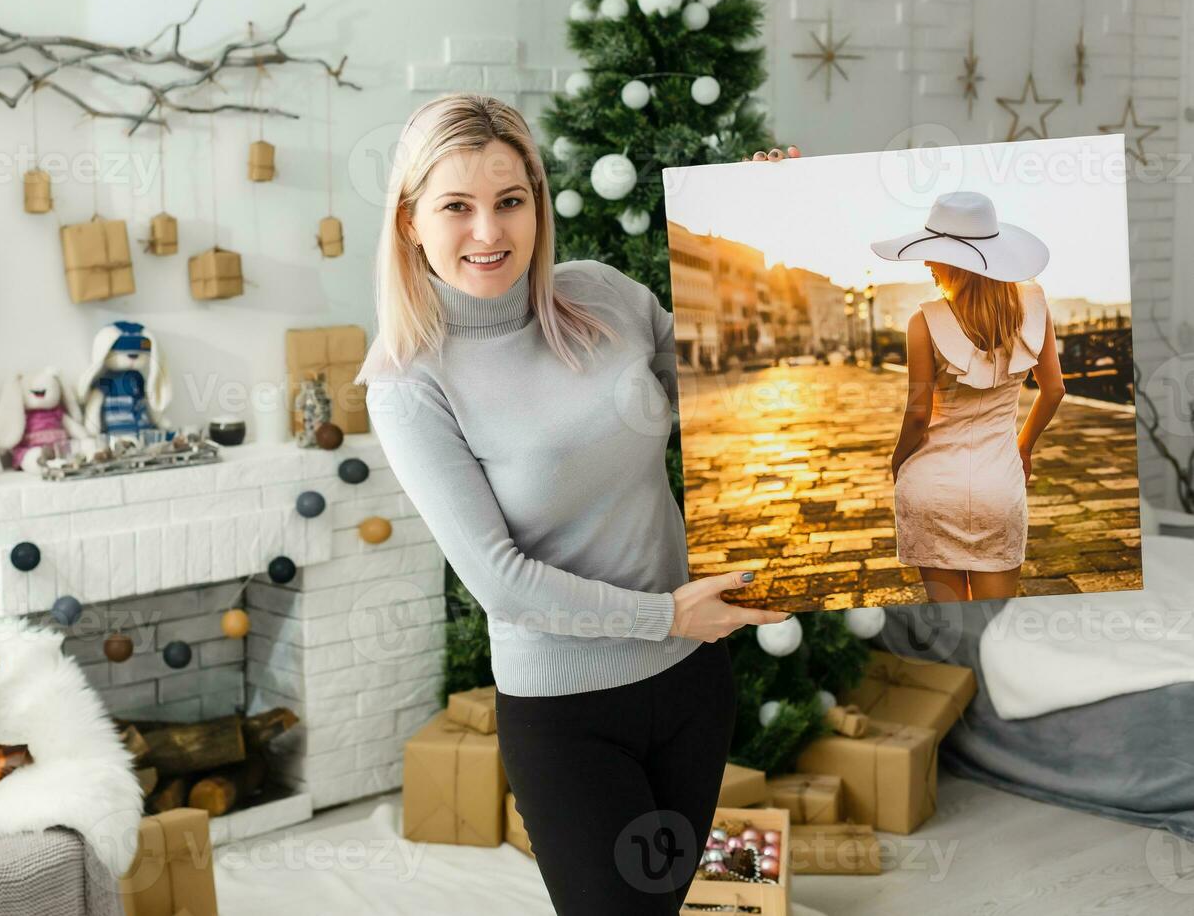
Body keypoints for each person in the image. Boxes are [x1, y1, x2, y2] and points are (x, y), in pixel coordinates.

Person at [356, 91, 795, 914]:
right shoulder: (408, 383)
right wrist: (665, 616)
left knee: (669, 904)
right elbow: (501, 581)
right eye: (457, 206)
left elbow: (734, 390)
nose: (489, 232)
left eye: (510, 201)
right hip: (570, 712)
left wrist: (765, 229)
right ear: (411, 221)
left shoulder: (603, 297)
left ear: (536, 205)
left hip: (697, 681)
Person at [873, 190, 1067, 603]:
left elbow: (918, 415)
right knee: (995, 626)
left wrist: (898, 460)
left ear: (955, 262)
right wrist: (1024, 447)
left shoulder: (923, 322)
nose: (926, 262)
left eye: (933, 253)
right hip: (999, 483)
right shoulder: (1033, 308)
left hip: (932, 485)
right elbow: (1053, 390)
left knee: (952, 626)